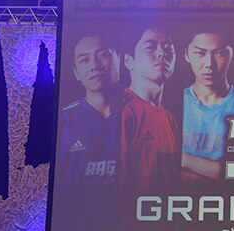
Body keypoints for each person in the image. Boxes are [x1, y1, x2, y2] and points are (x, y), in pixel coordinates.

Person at [118, 26, 179, 190]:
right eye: (150, 47)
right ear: (128, 61)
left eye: (168, 48)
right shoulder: (122, 112)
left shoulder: (170, 118)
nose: (162, 53)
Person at [59, 35, 121, 188]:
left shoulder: (138, 112)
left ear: (118, 59)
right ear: (76, 73)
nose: (94, 65)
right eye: (84, 60)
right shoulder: (63, 120)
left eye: (103, 55)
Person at [181, 29, 234, 181]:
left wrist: (184, 159)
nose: (209, 64)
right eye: (200, 53)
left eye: (219, 53)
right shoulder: (172, 102)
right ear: (187, 54)